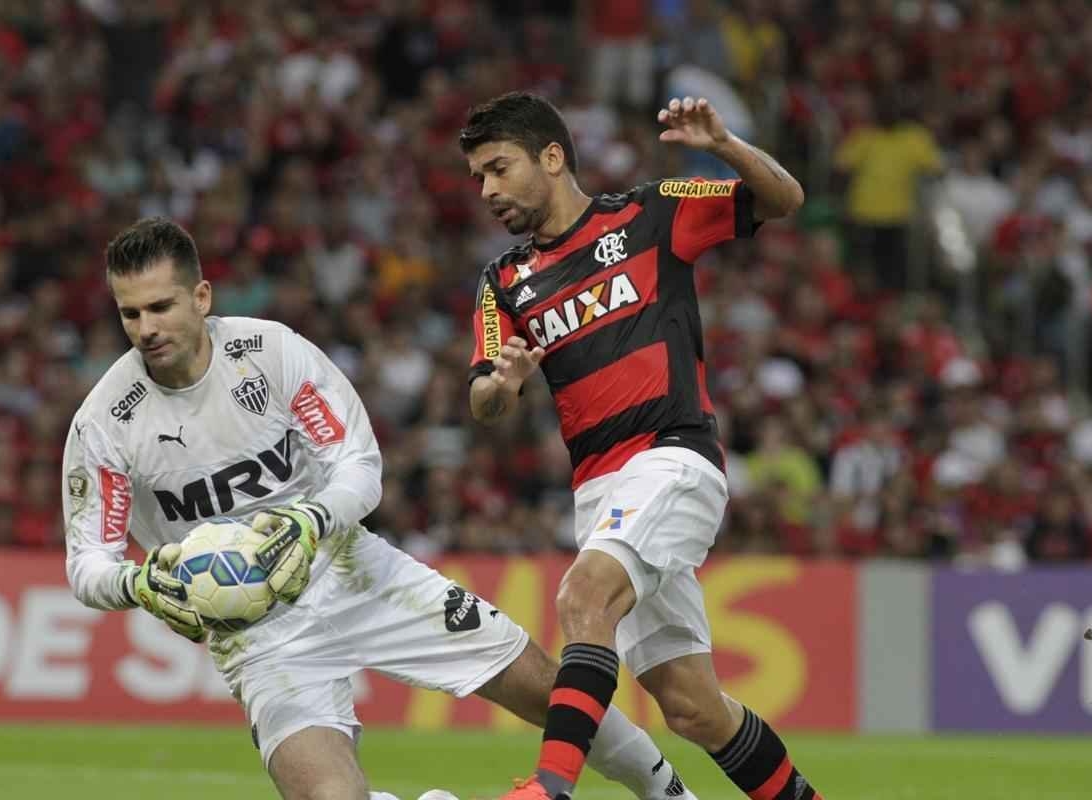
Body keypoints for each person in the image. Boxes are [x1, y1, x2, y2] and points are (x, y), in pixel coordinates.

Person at [61, 217, 698, 800]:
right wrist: (140, 582)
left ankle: (667, 791)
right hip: (256, 637)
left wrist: (309, 521)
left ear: (201, 298)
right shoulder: (107, 424)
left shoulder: (268, 354)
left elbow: (359, 466)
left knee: (545, 687)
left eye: (161, 307)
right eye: (130, 314)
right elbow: (89, 563)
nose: (146, 329)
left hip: (350, 570)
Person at [461, 92, 823, 800]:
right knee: (692, 707)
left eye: (499, 169)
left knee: (584, 595)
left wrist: (723, 144)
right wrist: (502, 384)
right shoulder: (500, 283)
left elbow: (783, 198)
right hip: (598, 493)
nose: (488, 191)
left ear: (553, 156)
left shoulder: (653, 209)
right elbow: (482, 400)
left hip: (671, 457)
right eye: (478, 177)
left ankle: (550, 789)